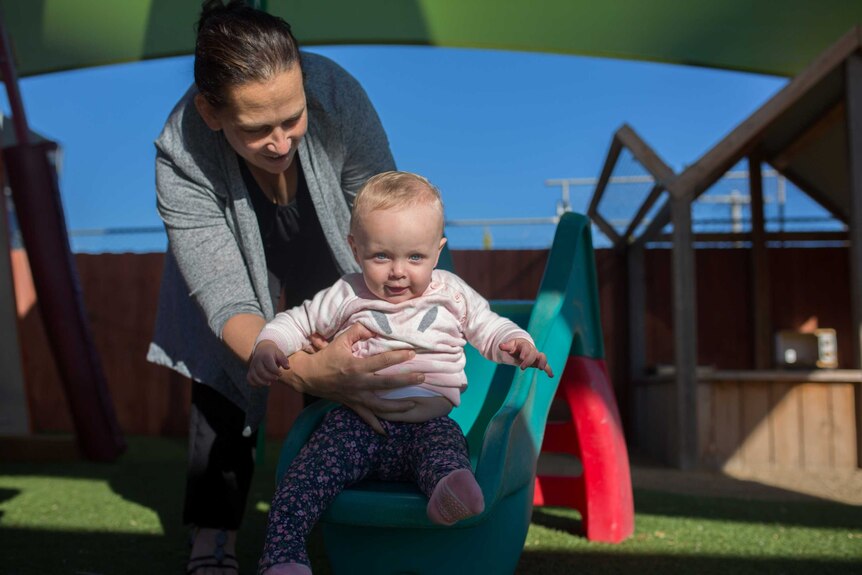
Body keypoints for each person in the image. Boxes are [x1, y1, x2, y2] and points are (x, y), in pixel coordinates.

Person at [146, 2, 423, 574]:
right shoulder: (181, 153)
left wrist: (358, 339)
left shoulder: (335, 94)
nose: (279, 142)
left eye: (291, 119)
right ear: (211, 112)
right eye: (256, 128)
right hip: (231, 253)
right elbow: (229, 303)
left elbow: (379, 216)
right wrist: (301, 368)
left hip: (333, 235)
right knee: (222, 380)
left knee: (350, 354)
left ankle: (343, 512)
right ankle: (213, 533)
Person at [249, 171, 554, 575]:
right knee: (303, 478)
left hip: (429, 426)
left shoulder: (451, 292)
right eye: (381, 256)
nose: (398, 271)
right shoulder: (346, 292)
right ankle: (284, 556)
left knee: (447, 454)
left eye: (415, 257)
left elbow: (488, 326)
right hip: (355, 425)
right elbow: (297, 321)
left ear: (437, 250)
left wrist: (515, 344)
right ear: (356, 250)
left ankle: (448, 490)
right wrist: (269, 345)